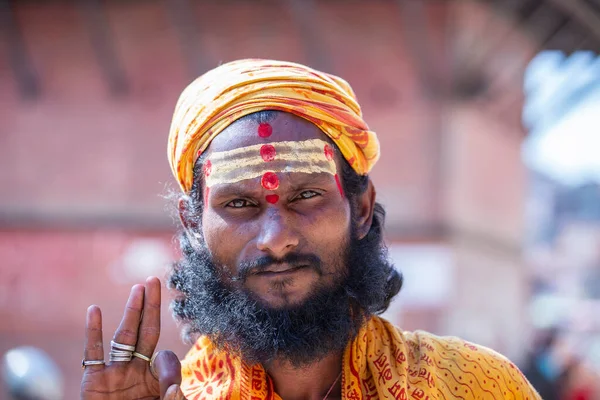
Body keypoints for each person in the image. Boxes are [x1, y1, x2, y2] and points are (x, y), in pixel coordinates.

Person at [80, 59, 541, 400]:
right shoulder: (178, 394)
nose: (276, 238)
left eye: (306, 197)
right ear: (193, 224)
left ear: (361, 208)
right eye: (239, 204)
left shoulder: (478, 386)